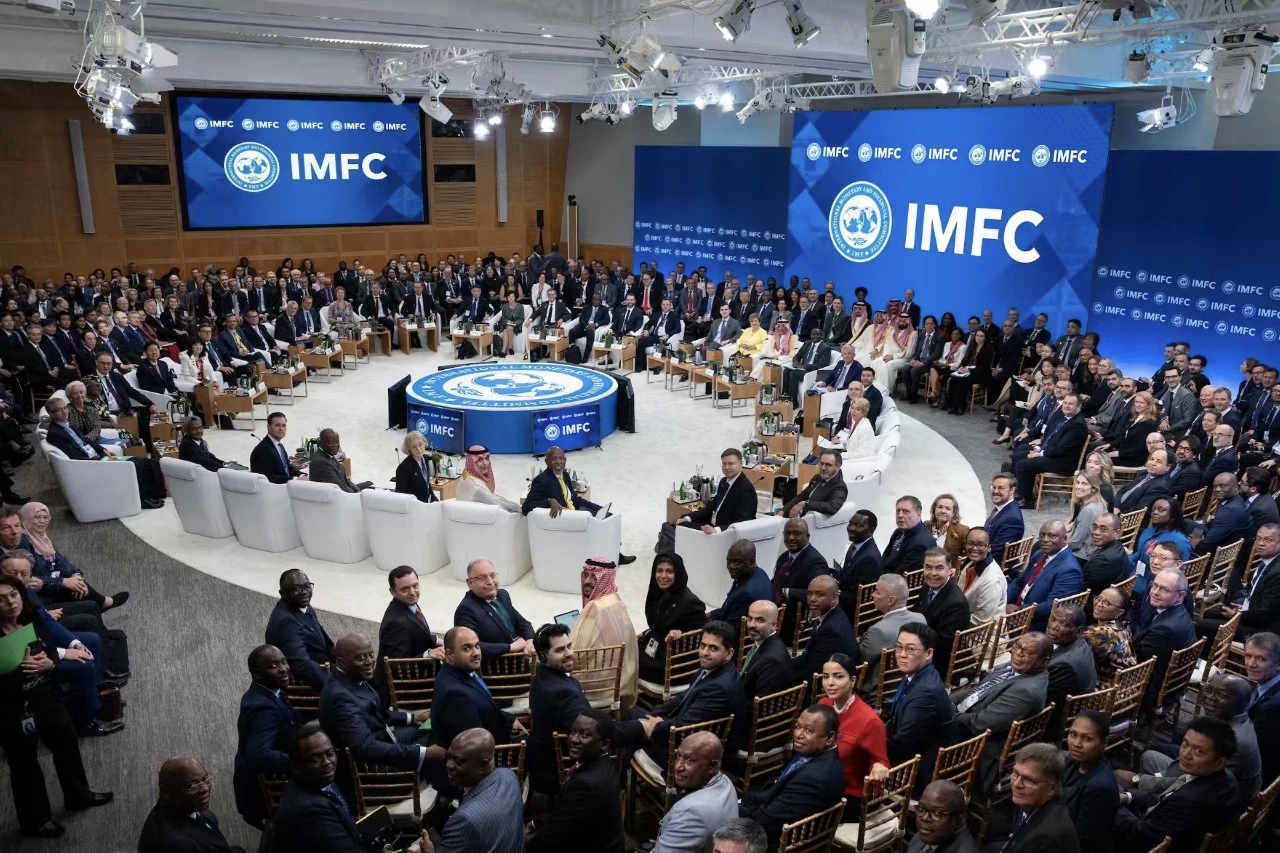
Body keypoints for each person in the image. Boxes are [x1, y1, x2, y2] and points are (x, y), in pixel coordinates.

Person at [0, 575, 112, 838]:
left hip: (44, 694)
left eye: (14, 595)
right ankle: (36, 821)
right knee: (24, 763)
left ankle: (79, 796)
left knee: (67, 741)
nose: (11, 602)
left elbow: (50, 646)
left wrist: (50, 662)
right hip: (10, 707)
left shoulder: (31, 617)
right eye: (1, 600)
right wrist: (18, 672)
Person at [618, 620, 747, 769]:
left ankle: (618, 770)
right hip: (681, 731)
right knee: (632, 715)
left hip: (685, 753)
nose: (704, 652)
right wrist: (656, 713)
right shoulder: (713, 668)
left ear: (729, 653)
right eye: (703, 646)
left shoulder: (719, 688)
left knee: (631, 729)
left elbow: (685, 726)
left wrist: (657, 725)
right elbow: (684, 697)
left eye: (713, 648)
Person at [1112, 717, 1242, 853]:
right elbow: (1164, 799)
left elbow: (1141, 835)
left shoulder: (1191, 801)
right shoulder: (1226, 778)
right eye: (1185, 743)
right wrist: (1128, 796)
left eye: (1198, 751)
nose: (1185, 754)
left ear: (1219, 763)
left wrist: (1109, 803)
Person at [1133, 671, 1261, 807]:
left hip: (1214, 803)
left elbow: (1195, 784)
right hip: (1199, 780)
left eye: (1222, 695)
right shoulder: (1234, 718)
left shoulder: (1237, 741)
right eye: (1209, 691)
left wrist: (1139, 780)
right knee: (1149, 756)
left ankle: (1149, 806)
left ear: (1243, 703)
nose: (1211, 698)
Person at [951, 633, 1052, 791]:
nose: (1018, 653)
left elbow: (980, 724)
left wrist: (947, 714)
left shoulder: (1025, 691)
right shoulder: (1016, 669)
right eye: (1018, 646)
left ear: (1044, 661)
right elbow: (977, 690)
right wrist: (947, 701)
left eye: (1028, 652)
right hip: (965, 718)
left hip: (974, 745)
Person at [428, 627, 523, 793]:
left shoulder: (463, 673)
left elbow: (485, 706)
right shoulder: (455, 694)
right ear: (449, 655)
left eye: (477, 646)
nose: (476, 653)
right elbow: (476, 747)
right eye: (467, 648)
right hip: (478, 769)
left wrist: (510, 719)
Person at [739, 705, 845, 852]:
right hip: (769, 811)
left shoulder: (814, 779)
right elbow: (776, 785)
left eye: (808, 730)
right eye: (797, 726)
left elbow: (766, 821)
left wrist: (738, 809)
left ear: (830, 738)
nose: (798, 734)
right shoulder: (814, 754)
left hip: (776, 844)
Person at [319, 634, 429, 773]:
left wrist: (412, 718)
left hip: (382, 739)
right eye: (360, 658)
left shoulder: (352, 676)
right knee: (434, 743)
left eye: (371, 655)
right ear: (341, 662)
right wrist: (423, 753)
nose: (369, 662)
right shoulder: (340, 698)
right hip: (372, 769)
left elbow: (373, 711)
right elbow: (366, 748)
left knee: (428, 731)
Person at [43, 395, 166, 508]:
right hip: (91, 464)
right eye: (59, 410)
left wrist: (104, 450)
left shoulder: (67, 424)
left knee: (141, 461)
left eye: (65, 408)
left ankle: (151, 494)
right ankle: (142, 499)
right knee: (135, 464)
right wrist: (100, 461)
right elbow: (75, 456)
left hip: (98, 457)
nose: (65, 411)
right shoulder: (55, 434)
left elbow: (86, 440)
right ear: (52, 414)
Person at [526, 711, 624, 853]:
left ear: (604, 744)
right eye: (573, 731)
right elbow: (567, 810)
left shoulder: (586, 784)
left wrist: (526, 843)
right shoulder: (603, 762)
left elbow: (555, 836)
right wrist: (537, 822)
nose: (574, 739)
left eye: (585, 735)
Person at [523, 445, 634, 564]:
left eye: (561, 458)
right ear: (546, 461)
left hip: (575, 509)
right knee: (599, 524)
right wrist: (549, 501)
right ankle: (605, 559)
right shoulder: (541, 480)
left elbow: (574, 499)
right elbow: (526, 507)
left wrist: (599, 508)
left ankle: (615, 554)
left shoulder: (565, 475)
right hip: (569, 518)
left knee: (608, 515)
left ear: (565, 460)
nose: (558, 462)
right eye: (554, 459)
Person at [423, 728, 525, 853]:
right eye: (449, 757)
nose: (449, 765)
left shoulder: (464, 820)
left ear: (482, 765)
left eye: (459, 762)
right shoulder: (509, 776)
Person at [269, 724, 364, 853]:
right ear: (296, 767)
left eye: (330, 753)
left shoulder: (318, 781)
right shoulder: (309, 811)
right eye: (316, 758)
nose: (327, 762)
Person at [12, 503, 125, 611]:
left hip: (52, 582)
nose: (42, 521)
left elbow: (60, 560)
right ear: (26, 519)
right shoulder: (23, 542)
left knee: (78, 584)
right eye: (36, 517)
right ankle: (103, 603)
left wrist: (75, 575)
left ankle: (101, 603)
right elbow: (34, 579)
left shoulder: (42, 538)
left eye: (46, 517)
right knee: (79, 592)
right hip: (42, 594)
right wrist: (63, 581)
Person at [233, 644, 298, 831]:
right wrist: (301, 762)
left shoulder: (267, 693)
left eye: (284, 662)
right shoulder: (263, 708)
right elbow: (259, 755)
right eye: (274, 666)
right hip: (265, 792)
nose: (284, 669)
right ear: (257, 674)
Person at [884, 623, 954, 792]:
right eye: (899, 647)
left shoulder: (925, 693)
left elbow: (903, 743)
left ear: (928, 653)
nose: (902, 655)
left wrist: (870, 747)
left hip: (915, 773)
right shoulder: (919, 674)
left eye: (910, 649)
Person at [818, 654, 889, 820]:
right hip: (823, 780)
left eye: (838, 677)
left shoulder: (869, 721)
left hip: (852, 796)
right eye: (826, 677)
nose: (830, 683)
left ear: (852, 681)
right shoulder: (824, 705)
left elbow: (881, 761)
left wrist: (878, 766)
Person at [527, 622, 590, 797]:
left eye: (569, 646)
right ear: (543, 656)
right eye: (560, 650)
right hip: (564, 768)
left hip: (544, 759)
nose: (569, 653)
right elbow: (591, 734)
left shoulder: (542, 673)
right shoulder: (563, 692)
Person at [652, 731, 740, 853]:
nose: (677, 767)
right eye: (678, 756)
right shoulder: (726, 782)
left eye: (690, 760)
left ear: (712, 767)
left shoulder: (692, 814)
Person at [657, 448, 757, 555]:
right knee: (683, 518)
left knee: (682, 526)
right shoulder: (724, 481)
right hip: (712, 522)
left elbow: (743, 522)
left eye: (731, 464)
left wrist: (717, 530)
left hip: (723, 532)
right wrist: (689, 517)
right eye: (724, 464)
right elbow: (711, 507)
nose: (727, 467)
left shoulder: (746, 490)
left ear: (740, 463)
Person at [139, 757, 245, 853]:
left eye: (205, 779)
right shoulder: (177, 845)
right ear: (166, 791)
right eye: (192, 786)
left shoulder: (181, 808)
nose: (205, 789)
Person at [570, 558, 638, 709]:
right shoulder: (616, 600)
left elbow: (573, 656)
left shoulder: (595, 608)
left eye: (594, 577)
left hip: (597, 688)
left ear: (605, 579)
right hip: (622, 684)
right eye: (585, 575)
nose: (587, 581)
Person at [991, 743, 1080, 853]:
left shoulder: (1049, 839)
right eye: (1015, 773)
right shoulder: (1030, 801)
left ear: (1052, 788)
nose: (1016, 784)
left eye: (1028, 780)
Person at [1198, 522, 1280, 641]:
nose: (1261, 543)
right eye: (1258, 538)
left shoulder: (1277, 573)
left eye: (1268, 540)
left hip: (1263, 630)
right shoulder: (1268, 561)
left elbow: (1265, 613)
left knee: (1202, 626)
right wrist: (1243, 607)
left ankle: (1210, 652)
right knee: (1210, 613)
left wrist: (1238, 615)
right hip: (1251, 611)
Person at [639, 553, 707, 684]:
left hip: (674, 664)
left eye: (669, 571)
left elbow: (700, 634)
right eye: (659, 571)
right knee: (627, 651)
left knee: (628, 660)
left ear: (678, 573)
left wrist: (681, 633)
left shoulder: (690, 602)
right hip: (656, 649)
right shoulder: (659, 593)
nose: (663, 576)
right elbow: (656, 624)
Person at [1134, 568, 1196, 708]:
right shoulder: (1176, 610)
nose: (1155, 592)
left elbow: (1136, 658)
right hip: (1160, 674)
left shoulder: (1166, 629)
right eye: (1155, 585)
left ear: (1180, 596)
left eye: (1164, 590)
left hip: (1150, 688)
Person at [1006, 521, 1084, 632]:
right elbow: (1020, 581)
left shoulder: (1070, 570)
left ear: (1064, 539)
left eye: (1052, 536)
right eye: (1042, 535)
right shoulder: (1039, 554)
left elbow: (1051, 607)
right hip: (1015, 610)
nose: (1045, 540)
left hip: (1033, 623)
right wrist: (1004, 600)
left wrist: (1018, 610)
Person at [263, 570, 333, 693]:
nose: (304, 591)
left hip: (325, 667)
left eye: (307, 586)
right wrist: (335, 686)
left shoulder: (304, 607)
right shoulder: (286, 623)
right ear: (283, 593)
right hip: (310, 683)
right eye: (297, 588)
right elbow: (301, 665)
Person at [453, 558, 536, 660]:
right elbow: (469, 647)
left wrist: (530, 640)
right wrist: (510, 647)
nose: (490, 582)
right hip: (497, 665)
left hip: (521, 659)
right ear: (470, 583)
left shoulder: (502, 595)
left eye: (492, 575)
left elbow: (522, 622)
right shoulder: (466, 610)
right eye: (482, 578)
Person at [912, 547, 971, 673]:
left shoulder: (956, 604)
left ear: (950, 570)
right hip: (920, 644)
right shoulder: (927, 586)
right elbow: (915, 613)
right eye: (928, 567)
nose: (933, 573)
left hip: (938, 662)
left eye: (939, 568)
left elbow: (942, 644)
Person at [793, 576, 857, 683]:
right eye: (809, 594)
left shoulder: (830, 631)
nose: (812, 599)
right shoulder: (833, 614)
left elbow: (814, 671)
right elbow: (808, 657)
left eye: (819, 595)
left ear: (834, 597)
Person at [858, 573, 915, 690]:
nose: (873, 595)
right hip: (910, 680)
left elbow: (859, 662)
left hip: (879, 688)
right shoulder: (920, 618)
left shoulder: (878, 631)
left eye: (878, 592)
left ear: (891, 600)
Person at [1045, 604, 1098, 725]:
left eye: (1064, 624)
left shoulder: (1064, 665)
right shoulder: (1079, 642)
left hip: (1050, 721)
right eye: (1053, 619)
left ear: (1079, 631)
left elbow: (1039, 697)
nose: (1054, 627)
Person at [1242, 631, 1280, 785]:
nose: (1251, 664)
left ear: (1278, 665)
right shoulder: (1266, 684)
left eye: (1261, 659)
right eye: (1248, 656)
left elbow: (1248, 748)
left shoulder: (1274, 707)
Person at [1129, 498, 1191, 591]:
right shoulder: (1148, 530)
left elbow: (1179, 571)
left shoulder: (1179, 540)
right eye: (1153, 509)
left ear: (1172, 514)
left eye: (1161, 510)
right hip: (1135, 574)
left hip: (1154, 585)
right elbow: (1139, 554)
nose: (1155, 512)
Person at [708, 540, 772, 627]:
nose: (731, 566)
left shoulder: (745, 594)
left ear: (752, 562)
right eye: (729, 561)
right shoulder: (759, 572)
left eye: (737, 562)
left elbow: (730, 629)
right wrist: (708, 615)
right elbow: (728, 608)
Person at [740, 600, 793, 702]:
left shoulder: (771, 661)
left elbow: (756, 703)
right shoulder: (767, 641)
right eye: (750, 618)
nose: (751, 625)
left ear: (774, 625)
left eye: (760, 620)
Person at [772, 518, 830, 609]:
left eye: (796, 534)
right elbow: (776, 581)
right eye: (787, 533)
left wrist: (786, 593)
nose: (791, 538)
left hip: (793, 611)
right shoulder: (784, 557)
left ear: (807, 536)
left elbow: (819, 593)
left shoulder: (816, 561)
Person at [1081, 587, 1136, 682]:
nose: (1099, 604)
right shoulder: (1124, 625)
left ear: (1120, 612)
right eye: (1098, 599)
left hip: (1106, 686)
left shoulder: (1101, 633)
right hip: (1124, 683)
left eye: (1107, 603)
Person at [907, 781, 978, 853]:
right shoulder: (928, 834)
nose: (925, 818)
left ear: (958, 820)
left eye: (937, 813)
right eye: (921, 808)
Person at [780, 450, 847, 519]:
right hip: (800, 516)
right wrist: (783, 510)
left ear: (838, 466)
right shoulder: (818, 477)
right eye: (821, 463)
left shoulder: (840, 487)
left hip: (811, 521)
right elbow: (801, 496)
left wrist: (806, 504)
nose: (823, 468)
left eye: (828, 465)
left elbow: (832, 507)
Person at [959, 527, 1006, 624]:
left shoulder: (992, 580)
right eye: (970, 543)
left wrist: (951, 619)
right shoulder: (971, 563)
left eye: (980, 544)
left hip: (981, 630)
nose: (974, 548)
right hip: (963, 615)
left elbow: (980, 621)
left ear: (989, 548)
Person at [456, 445, 521, 511]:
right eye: (480, 460)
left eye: (486, 458)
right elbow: (498, 503)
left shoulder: (466, 472)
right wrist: (520, 509)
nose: (485, 463)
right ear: (471, 463)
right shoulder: (476, 487)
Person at [307, 428, 372, 492]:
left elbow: (346, 480)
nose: (335, 445)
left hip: (344, 488)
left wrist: (356, 489)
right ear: (321, 443)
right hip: (339, 495)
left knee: (370, 483)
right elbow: (340, 488)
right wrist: (357, 495)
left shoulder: (328, 455)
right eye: (331, 443)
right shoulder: (321, 463)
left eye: (337, 442)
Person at [883, 495, 935, 574]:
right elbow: (885, 559)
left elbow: (903, 574)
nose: (900, 515)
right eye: (898, 511)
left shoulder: (920, 543)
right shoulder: (898, 532)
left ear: (918, 515)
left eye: (906, 511)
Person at [249, 412, 306, 484]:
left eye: (284, 425)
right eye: (277, 425)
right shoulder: (262, 450)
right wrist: (296, 480)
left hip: (286, 485)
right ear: (269, 427)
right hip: (275, 488)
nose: (281, 429)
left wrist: (303, 475)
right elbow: (268, 478)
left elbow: (288, 468)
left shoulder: (279, 446)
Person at [1081, 513, 1129, 595]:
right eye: (1095, 527)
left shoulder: (1103, 559)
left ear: (1117, 533)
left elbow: (1085, 589)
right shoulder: (1119, 547)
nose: (1096, 532)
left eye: (1103, 529)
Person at [1067, 473, 1109, 561]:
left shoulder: (1088, 511)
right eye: (1077, 482)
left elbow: (1076, 543)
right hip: (1095, 551)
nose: (1078, 486)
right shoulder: (1100, 503)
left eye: (1084, 484)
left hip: (1082, 556)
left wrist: (1058, 547)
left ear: (1093, 488)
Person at [986, 473, 1025, 565]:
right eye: (994, 487)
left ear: (1012, 490)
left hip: (994, 566)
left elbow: (997, 553)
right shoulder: (1002, 508)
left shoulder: (1012, 519)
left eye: (1001, 488)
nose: (995, 491)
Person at [394, 430, 437, 503]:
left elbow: (426, 484)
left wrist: (435, 501)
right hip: (414, 505)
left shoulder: (426, 459)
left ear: (424, 443)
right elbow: (400, 495)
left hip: (427, 503)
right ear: (409, 450)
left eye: (420, 444)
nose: (418, 449)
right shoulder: (404, 468)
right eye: (414, 447)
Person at [926, 494, 969, 566]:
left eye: (948, 509)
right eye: (940, 507)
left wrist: (958, 569)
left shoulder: (962, 531)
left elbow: (968, 556)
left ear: (954, 512)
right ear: (934, 509)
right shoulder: (926, 526)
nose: (943, 511)